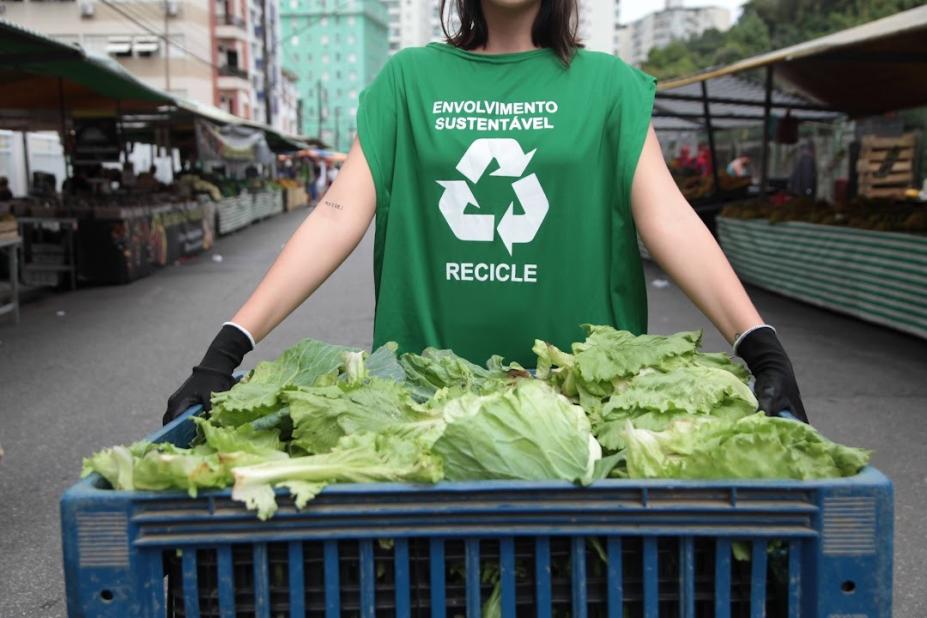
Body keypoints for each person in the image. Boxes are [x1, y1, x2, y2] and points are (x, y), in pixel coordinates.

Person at [164, 0, 807, 425]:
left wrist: (760, 346)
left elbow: (668, 219)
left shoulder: (608, 86)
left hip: (587, 409)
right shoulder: (408, 81)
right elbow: (335, 215)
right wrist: (226, 348)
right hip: (427, 409)